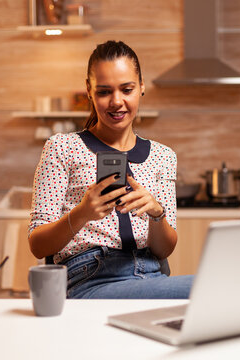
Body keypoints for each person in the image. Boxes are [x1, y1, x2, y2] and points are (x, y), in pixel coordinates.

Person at [28, 40, 193, 299]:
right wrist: (82, 213)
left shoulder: (163, 156)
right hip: (90, 278)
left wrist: (156, 213)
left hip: (151, 275)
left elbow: (164, 251)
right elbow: (37, 245)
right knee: (209, 288)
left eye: (126, 89)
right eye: (104, 91)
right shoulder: (62, 147)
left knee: (213, 285)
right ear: (89, 91)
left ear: (141, 87)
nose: (117, 102)